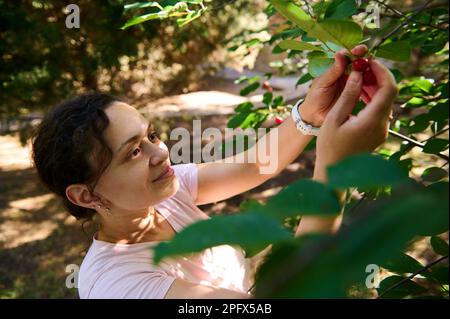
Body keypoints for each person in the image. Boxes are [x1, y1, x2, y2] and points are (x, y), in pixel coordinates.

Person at [31, 45, 397, 299]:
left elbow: (256, 164)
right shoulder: (118, 284)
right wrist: (339, 171)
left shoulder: (162, 197)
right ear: (85, 195)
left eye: (153, 135)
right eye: (135, 152)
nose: (161, 153)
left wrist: (309, 115)